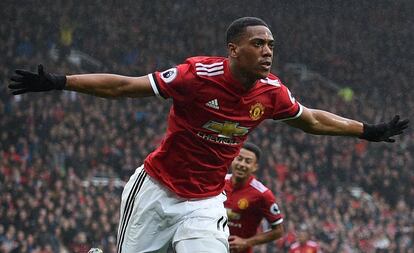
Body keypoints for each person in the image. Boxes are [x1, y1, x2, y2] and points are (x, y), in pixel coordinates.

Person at [8, 17, 409, 253]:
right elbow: (124, 86)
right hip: (156, 190)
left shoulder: (272, 93)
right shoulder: (196, 76)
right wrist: (61, 81)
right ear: (233, 50)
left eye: (271, 45)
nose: (268, 51)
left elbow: (312, 120)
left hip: (204, 202)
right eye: (258, 44)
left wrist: (366, 130)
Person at [224, 142, 283, 253]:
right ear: (233, 160)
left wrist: (247, 242)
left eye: (248, 161)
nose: (242, 164)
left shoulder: (263, 194)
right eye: (239, 159)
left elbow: (278, 231)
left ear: (255, 167)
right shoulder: (219, 182)